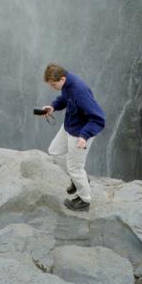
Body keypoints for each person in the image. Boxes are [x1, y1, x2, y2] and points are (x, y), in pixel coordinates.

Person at [41, 63, 105, 212]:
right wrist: (53, 106)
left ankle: (84, 200)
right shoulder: (67, 84)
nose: (52, 87)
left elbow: (99, 119)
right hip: (70, 125)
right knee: (54, 151)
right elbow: (64, 99)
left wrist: (85, 136)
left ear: (62, 78)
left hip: (81, 133)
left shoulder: (80, 92)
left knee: (75, 167)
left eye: (53, 84)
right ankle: (79, 180)